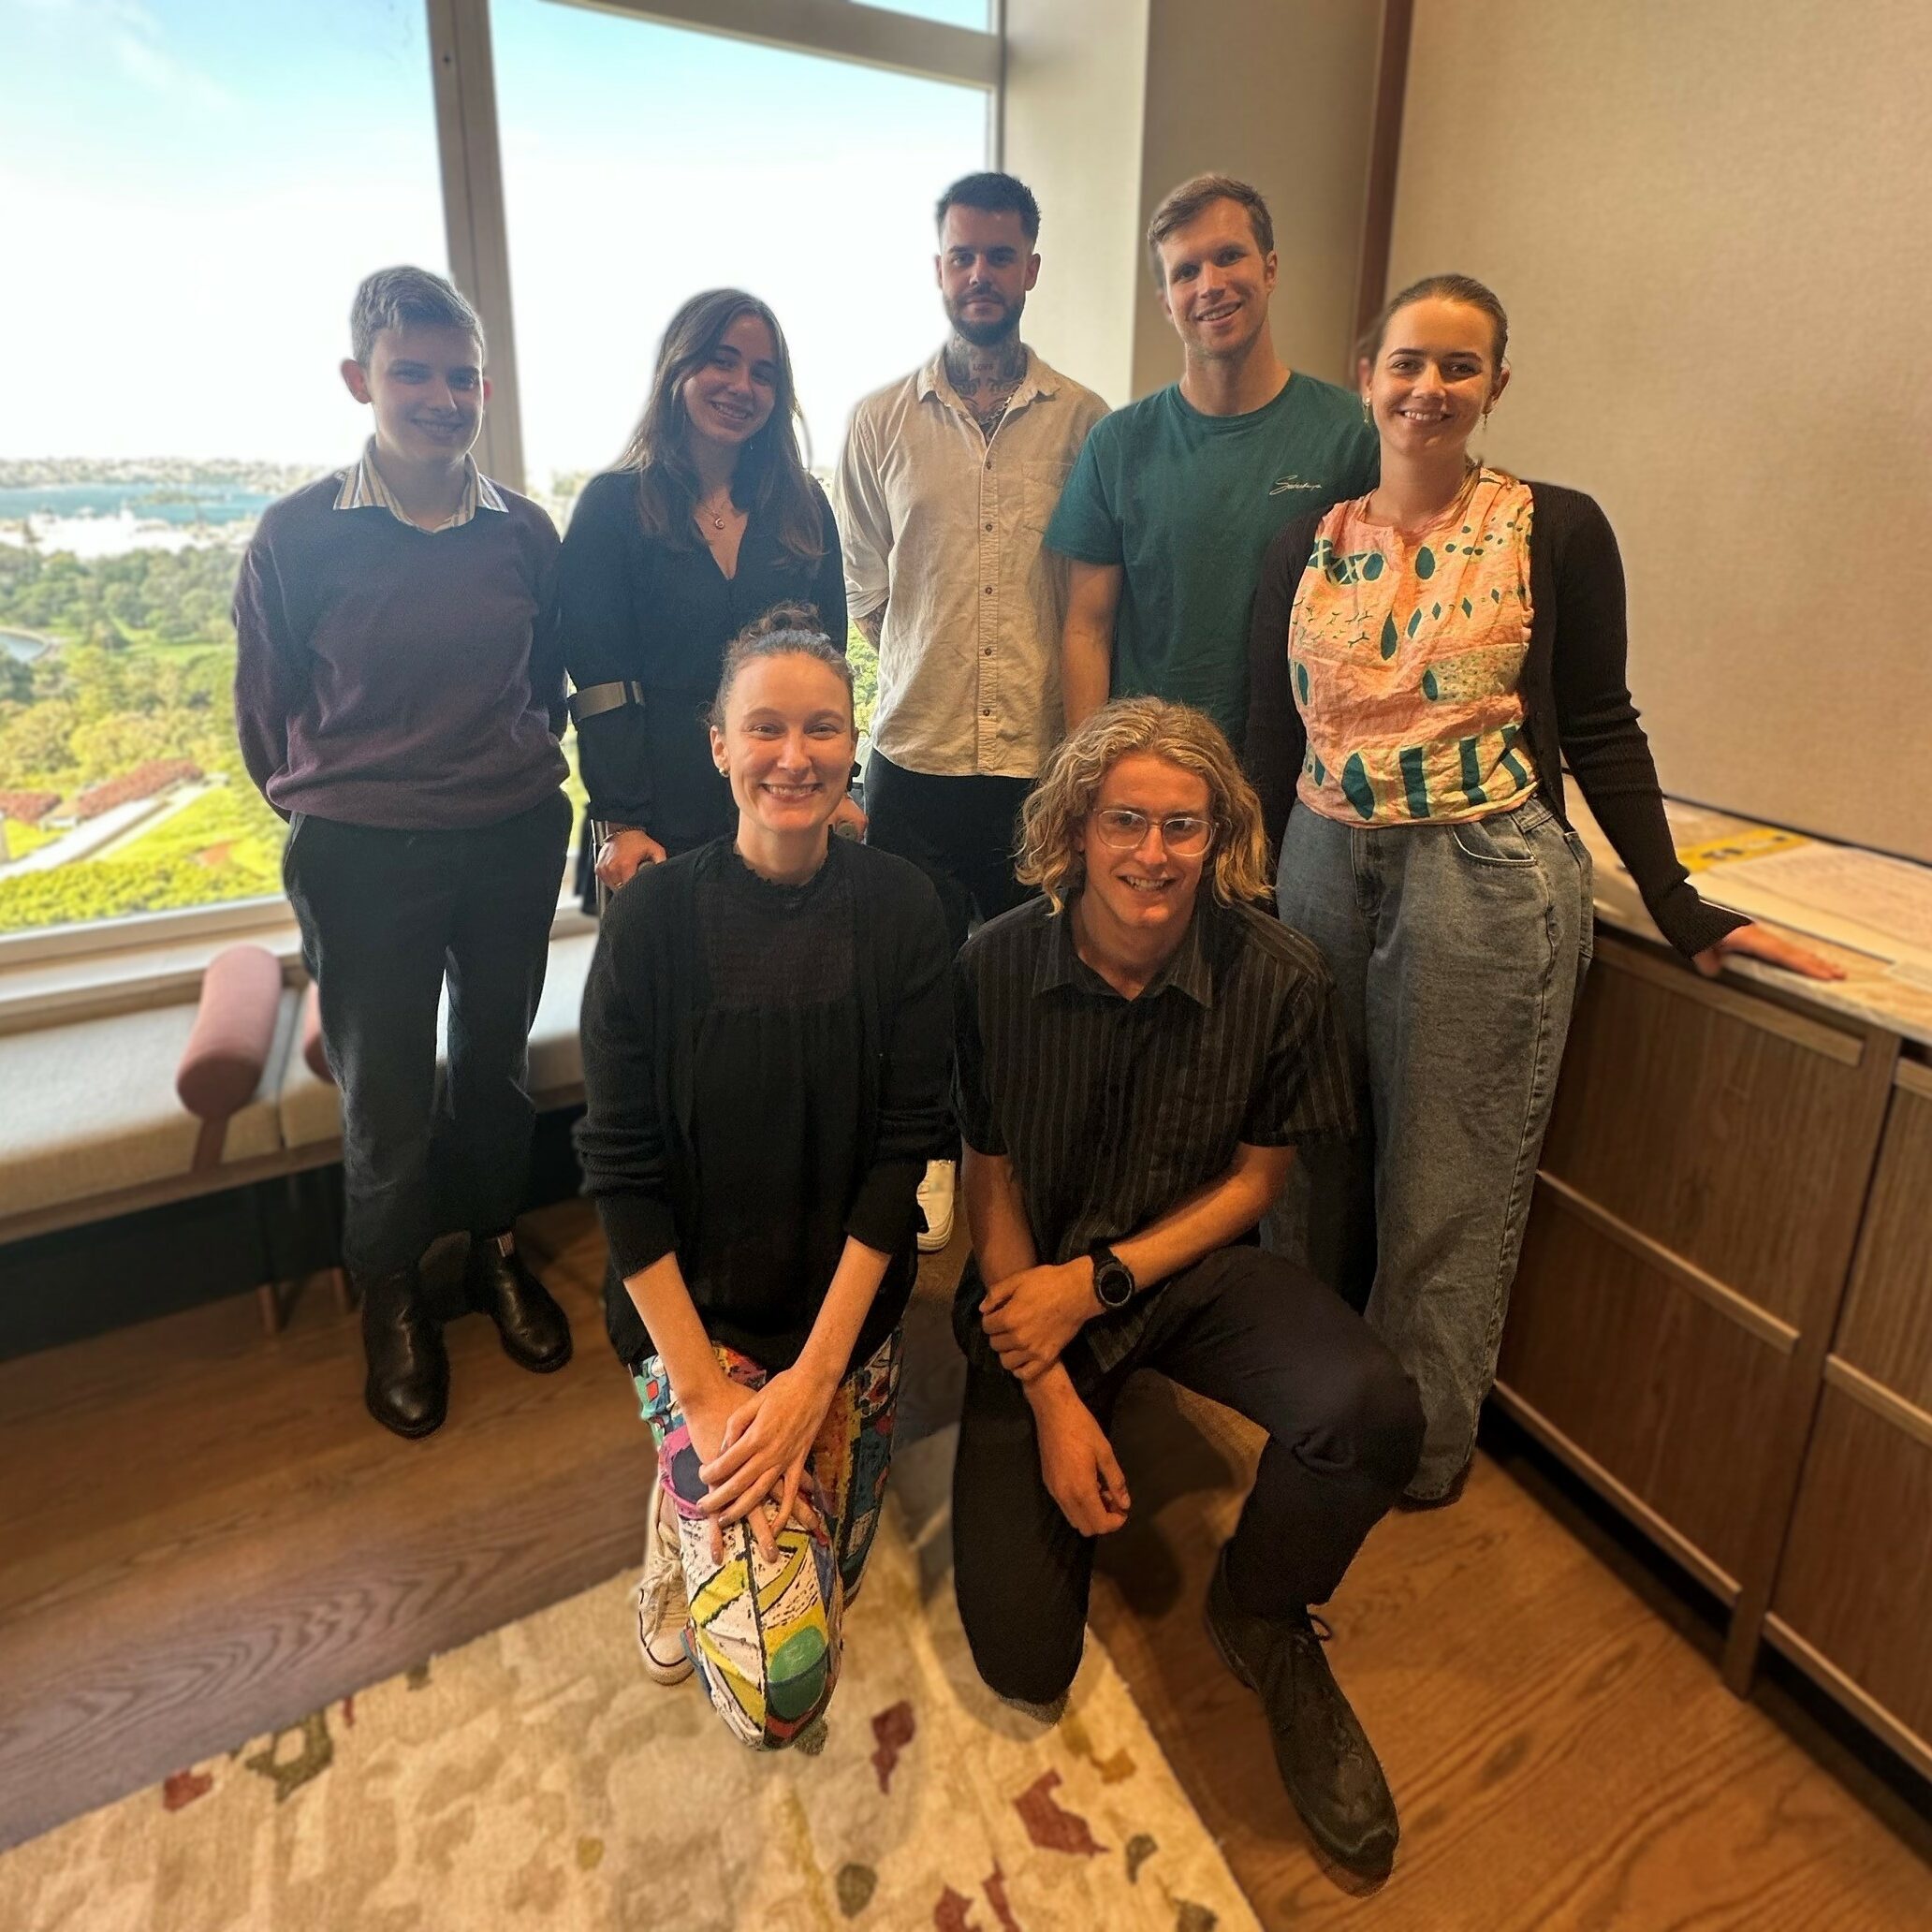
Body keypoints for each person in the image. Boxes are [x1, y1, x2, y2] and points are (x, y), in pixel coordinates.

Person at [1243, 272, 1843, 1505]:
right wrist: (1245, 889)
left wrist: (1680, 906)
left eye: (1461, 367)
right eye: (1408, 362)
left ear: (1497, 386)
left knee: (1447, 1187)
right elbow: (1267, 727)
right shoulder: (1304, 539)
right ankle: (1311, 1406)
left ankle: (1412, 1457)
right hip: (1315, 857)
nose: (1430, 388)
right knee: (1309, 1163)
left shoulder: (1552, 527)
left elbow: (1603, 724)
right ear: (1366, 375)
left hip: (1483, 875)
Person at [948, 696, 1426, 1880]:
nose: (1153, 855)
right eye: (1125, 821)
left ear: (1221, 839)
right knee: (1023, 1659)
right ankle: (1086, 1415)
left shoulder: (1284, 978)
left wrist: (1104, 1281)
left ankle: (1262, 1611)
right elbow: (988, 1191)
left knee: (1373, 1409)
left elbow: (1260, 1182)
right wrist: (1055, 1401)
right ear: (1074, 828)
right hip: (1034, 1287)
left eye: (1183, 827)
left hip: (1189, 1274)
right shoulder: (992, 966)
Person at [576, 606, 950, 1750]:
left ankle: (724, 1497)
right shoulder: (648, 926)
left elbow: (904, 1160)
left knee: (822, 1579)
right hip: (700, 1330)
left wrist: (812, 1383)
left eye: (824, 729)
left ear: (853, 746)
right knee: (779, 1694)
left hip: (840, 1323)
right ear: (719, 746)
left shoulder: (905, 911)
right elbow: (620, 1174)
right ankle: (675, 1501)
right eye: (767, 729)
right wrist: (709, 1396)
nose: (796, 756)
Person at [234, 266, 575, 1439]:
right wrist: (347, 806)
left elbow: (549, 687)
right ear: (359, 381)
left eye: (460, 375)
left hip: (510, 833)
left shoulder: (524, 530)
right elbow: (265, 713)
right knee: (380, 1087)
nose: (442, 396)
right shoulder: (297, 536)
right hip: (364, 853)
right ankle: (392, 1291)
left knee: (493, 1061)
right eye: (412, 374)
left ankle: (489, 1247)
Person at [836, 169, 1108, 1252]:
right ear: (939, 266)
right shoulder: (878, 421)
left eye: (1002, 256)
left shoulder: (1086, 422)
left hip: (1038, 763)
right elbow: (867, 589)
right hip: (914, 755)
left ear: (1031, 269)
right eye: (963, 255)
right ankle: (935, 1157)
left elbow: (1094, 589)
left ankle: (1017, 1166)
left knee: (1029, 984)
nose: (981, 274)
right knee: (915, 982)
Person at [1047, 174, 1377, 745]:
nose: (1211, 285)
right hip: (1151, 775)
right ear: (1167, 303)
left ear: (1270, 268)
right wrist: (1090, 774)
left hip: (1300, 777)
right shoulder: (1118, 444)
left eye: (1229, 257)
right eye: (1186, 271)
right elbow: (1086, 630)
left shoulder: (1353, 435)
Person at [558, 288, 856, 902]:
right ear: (678, 369)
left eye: (763, 373)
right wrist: (621, 820)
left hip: (786, 800)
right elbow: (598, 684)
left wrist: (838, 787)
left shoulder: (804, 505)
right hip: (656, 818)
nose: (741, 385)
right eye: (722, 361)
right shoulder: (612, 508)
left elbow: (830, 667)